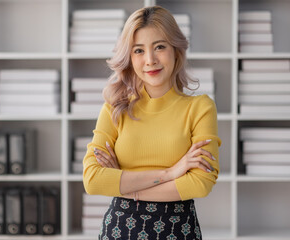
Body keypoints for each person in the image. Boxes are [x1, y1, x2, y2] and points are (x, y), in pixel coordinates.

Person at [83, 5, 221, 240]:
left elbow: (200, 183)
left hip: (178, 232)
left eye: (159, 47)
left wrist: (124, 184)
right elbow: (93, 180)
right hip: (119, 230)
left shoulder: (200, 108)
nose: (150, 60)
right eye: (138, 50)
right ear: (129, 57)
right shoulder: (114, 109)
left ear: (176, 50)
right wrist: (170, 173)